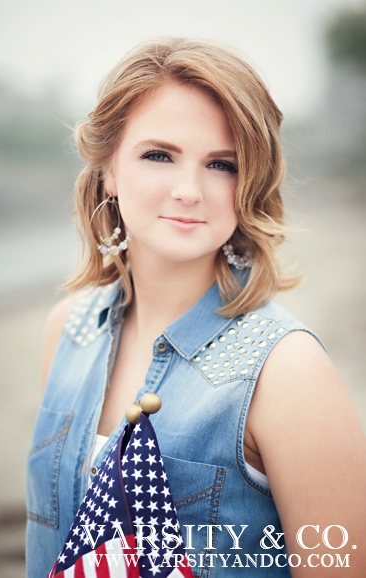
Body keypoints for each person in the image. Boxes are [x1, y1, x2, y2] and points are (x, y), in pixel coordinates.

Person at [26, 38, 366, 577]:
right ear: (108, 170)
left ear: (250, 181)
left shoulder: (287, 370)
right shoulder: (68, 331)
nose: (189, 190)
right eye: (159, 155)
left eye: (222, 164)